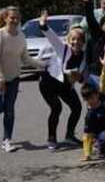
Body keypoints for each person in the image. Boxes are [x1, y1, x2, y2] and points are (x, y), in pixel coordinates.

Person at [0, 7, 46, 153]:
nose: (15, 21)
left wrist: (43, 65)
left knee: (9, 110)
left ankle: (7, 140)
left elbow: (25, 57)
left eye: (17, 18)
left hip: (13, 78)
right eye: (12, 18)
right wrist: (0, 78)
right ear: (5, 18)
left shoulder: (21, 36)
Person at [37, 10, 86, 151]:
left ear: (83, 42)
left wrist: (79, 77)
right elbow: (50, 35)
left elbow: (83, 77)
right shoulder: (62, 48)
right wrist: (43, 24)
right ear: (68, 40)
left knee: (76, 107)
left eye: (79, 40)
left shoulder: (83, 55)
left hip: (65, 86)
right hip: (49, 83)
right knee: (56, 108)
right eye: (73, 40)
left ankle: (70, 135)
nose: (76, 43)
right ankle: (51, 139)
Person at [81, 0, 105, 87]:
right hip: (96, 76)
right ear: (101, 26)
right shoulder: (98, 36)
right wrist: (87, 3)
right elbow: (90, 19)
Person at [80, 82, 105, 161]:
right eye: (87, 99)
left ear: (97, 95)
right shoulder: (90, 115)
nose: (90, 101)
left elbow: (104, 82)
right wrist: (87, 154)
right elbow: (87, 134)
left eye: (92, 98)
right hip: (100, 135)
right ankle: (100, 150)